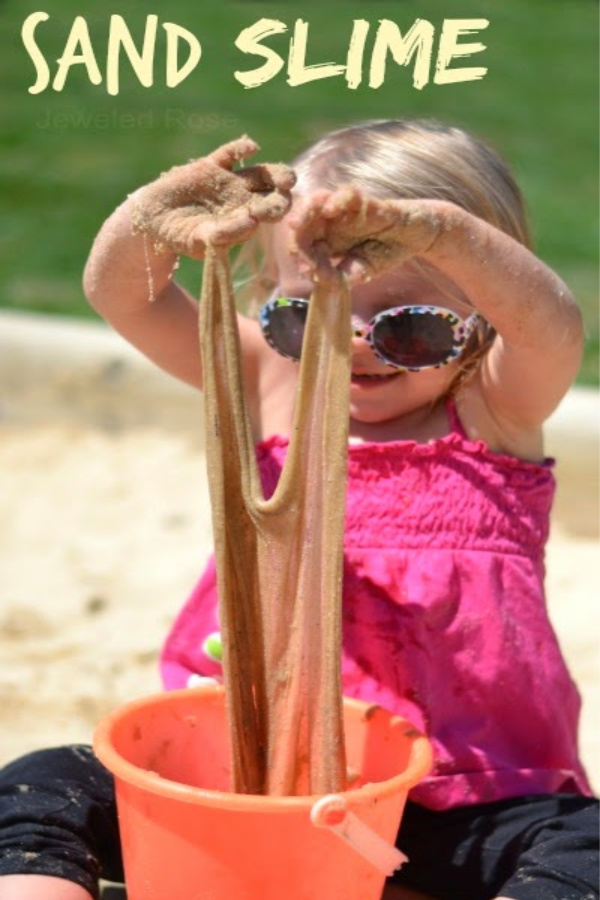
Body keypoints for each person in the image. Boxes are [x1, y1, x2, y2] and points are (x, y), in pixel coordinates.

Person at [0, 119, 597, 900]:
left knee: (585, 847)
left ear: (481, 317)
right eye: (304, 313)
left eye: (409, 325)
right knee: (41, 788)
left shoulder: (494, 411)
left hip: (461, 792)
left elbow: (549, 324)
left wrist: (437, 232)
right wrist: (152, 214)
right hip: (249, 773)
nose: (351, 340)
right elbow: (125, 294)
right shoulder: (268, 380)